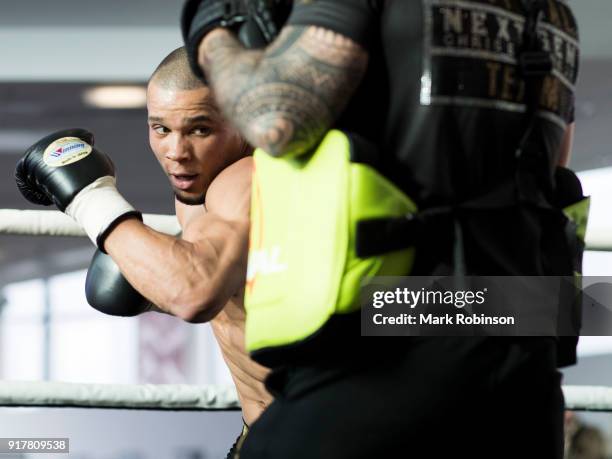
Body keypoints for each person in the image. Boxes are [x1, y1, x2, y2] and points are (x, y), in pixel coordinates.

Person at [180, 1, 584, 458]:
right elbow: (555, 163)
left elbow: (274, 119)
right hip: (523, 349)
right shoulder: (555, 14)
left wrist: (213, 29)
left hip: (393, 334)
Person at [15, 47, 271, 459]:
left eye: (200, 129)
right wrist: (155, 292)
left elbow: (194, 294)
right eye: (161, 129)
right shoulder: (198, 191)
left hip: (319, 434)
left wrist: (91, 199)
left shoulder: (246, 180)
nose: (176, 152)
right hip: (262, 432)